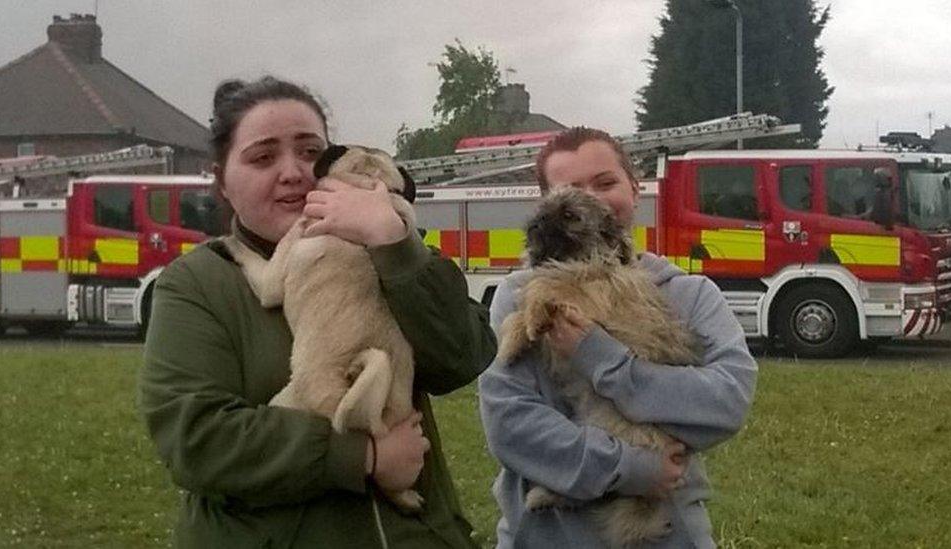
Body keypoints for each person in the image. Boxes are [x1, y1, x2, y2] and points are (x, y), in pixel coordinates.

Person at [138, 76, 496, 548]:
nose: (294, 173)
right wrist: (361, 456)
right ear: (222, 180)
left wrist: (397, 247)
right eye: (263, 157)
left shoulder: (390, 252)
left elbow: (462, 358)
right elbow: (198, 438)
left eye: (311, 152)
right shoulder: (198, 283)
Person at [478, 127, 758, 548]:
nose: (592, 199)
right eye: (572, 191)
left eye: (605, 183)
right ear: (547, 206)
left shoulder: (690, 293)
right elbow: (509, 426)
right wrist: (633, 468)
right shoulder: (517, 297)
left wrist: (600, 358)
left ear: (635, 188)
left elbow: (727, 400)